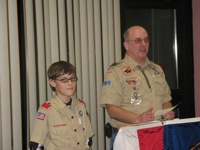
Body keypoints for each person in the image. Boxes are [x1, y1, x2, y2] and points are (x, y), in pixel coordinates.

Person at [100, 25, 175, 149]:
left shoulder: (157, 69)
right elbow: (112, 109)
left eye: (146, 40)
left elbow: (166, 100)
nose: (143, 44)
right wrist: (138, 118)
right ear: (126, 45)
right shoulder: (116, 71)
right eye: (138, 40)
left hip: (156, 134)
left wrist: (167, 111)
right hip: (128, 136)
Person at [29, 61, 94, 150]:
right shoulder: (47, 110)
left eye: (73, 78)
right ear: (52, 82)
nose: (70, 83)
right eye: (64, 80)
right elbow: (36, 145)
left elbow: (88, 140)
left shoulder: (80, 106)